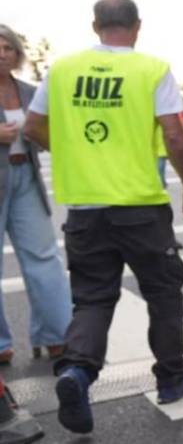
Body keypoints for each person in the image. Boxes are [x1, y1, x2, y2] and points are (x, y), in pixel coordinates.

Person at [23, 0, 183, 435]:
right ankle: (172, 377)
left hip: (85, 208)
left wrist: (67, 149)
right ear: (137, 27)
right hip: (141, 205)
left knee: (93, 297)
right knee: (163, 291)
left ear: (95, 26)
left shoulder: (61, 69)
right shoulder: (151, 69)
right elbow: (174, 134)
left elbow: (31, 126)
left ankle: (78, 373)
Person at [0, 25, 71, 364]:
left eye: (8, 48)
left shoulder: (31, 91)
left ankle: (57, 334)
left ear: (17, 54)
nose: (2, 53)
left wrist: (39, 136)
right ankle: (1, 344)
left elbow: (49, 132)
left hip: (27, 177)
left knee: (44, 257)